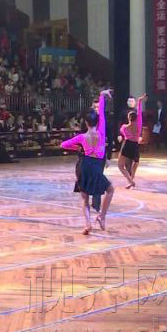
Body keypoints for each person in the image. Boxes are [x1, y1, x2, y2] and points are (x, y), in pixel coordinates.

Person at [61, 90, 115, 235]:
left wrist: (77, 148)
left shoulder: (81, 137)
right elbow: (102, 113)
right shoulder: (101, 133)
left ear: (86, 122)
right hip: (96, 167)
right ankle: (102, 216)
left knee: (85, 198)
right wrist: (102, 96)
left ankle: (88, 225)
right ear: (98, 122)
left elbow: (63, 144)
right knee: (110, 190)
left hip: (84, 166)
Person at [117, 94, 147, 189]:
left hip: (127, 145)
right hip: (135, 145)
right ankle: (131, 179)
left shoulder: (124, 127)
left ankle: (130, 181)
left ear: (128, 118)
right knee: (136, 162)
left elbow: (122, 131)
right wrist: (139, 101)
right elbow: (139, 112)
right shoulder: (139, 124)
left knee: (120, 165)